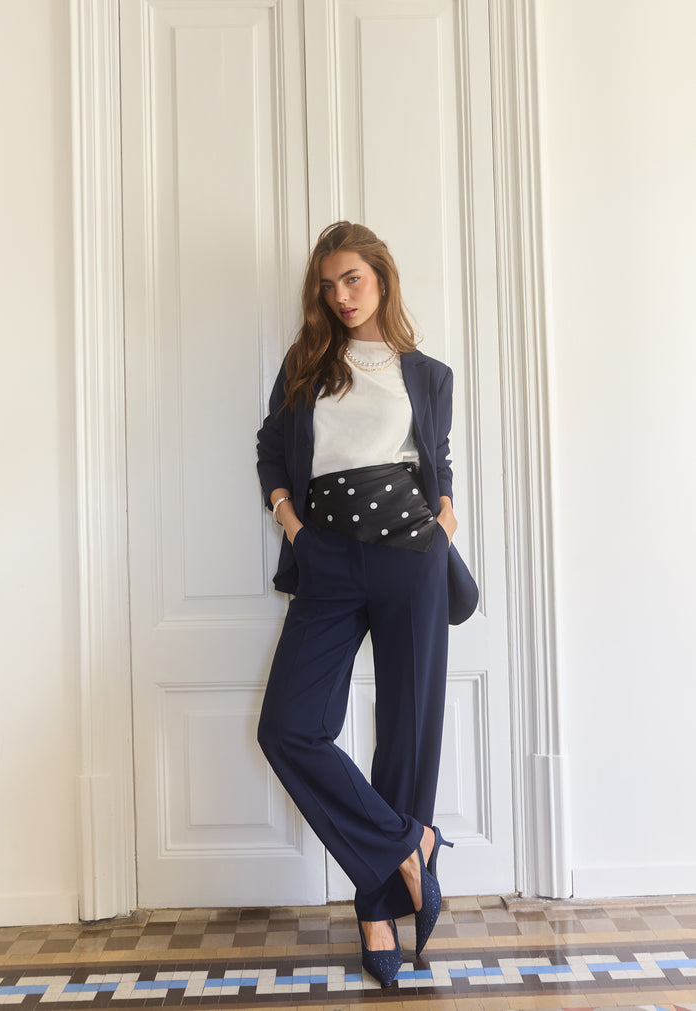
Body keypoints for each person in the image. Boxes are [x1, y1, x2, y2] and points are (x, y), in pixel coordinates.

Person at [256, 221, 478, 987]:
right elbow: (271, 448)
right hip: (327, 557)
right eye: (329, 285)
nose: (341, 295)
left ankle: (377, 914)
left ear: (382, 276)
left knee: (407, 734)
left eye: (352, 278)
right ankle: (410, 843)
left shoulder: (428, 375)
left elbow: (436, 460)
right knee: (289, 726)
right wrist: (290, 521)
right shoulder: (306, 365)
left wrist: (444, 522)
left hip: (411, 557)